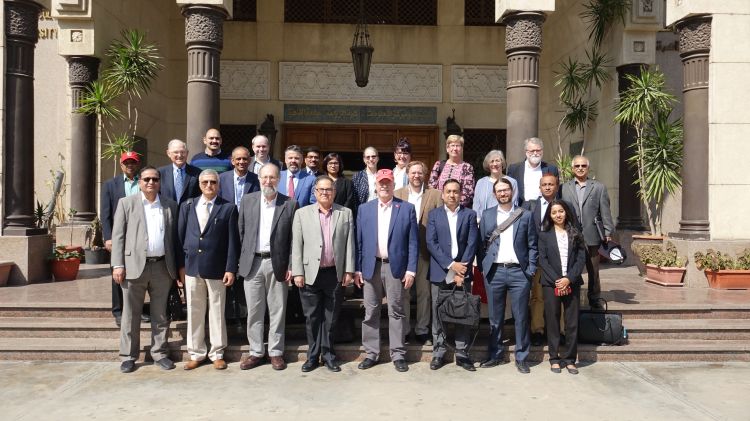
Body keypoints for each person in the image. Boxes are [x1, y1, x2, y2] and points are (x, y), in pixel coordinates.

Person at [111, 166, 179, 373]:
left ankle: (159, 353)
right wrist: (118, 264)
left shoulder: (170, 205)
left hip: (162, 267)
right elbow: (118, 236)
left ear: (160, 182)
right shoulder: (126, 204)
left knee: (160, 315)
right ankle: (129, 356)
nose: (151, 183)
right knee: (131, 315)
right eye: (147, 179)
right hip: (133, 268)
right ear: (139, 182)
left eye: (155, 179)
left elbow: (174, 239)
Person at [355, 169, 418, 373]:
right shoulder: (364, 209)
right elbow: (359, 242)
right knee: (371, 310)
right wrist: (357, 268)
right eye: (381, 183)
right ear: (376, 185)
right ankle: (371, 353)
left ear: (393, 185)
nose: (384, 186)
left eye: (387, 182)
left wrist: (411, 270)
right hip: (371, 266)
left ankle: (398, 353)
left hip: (395, 267)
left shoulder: (406, 208)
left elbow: (413, 243)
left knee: (396, 310)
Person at [291, 176, 355, 372]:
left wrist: (349, 270)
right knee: (312, 318)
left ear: (334, 192)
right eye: (321, 190)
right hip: (310, 273)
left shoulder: (345, 213)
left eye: (329, 189)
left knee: (330, 317)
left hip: (334, 274)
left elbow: (350, 244)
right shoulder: (302, 214)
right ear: (315, 192)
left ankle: (328, 355)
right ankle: (312, 356)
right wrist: (297, 272)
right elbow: (297, 245)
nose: (325, 193)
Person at [177, 169, 240, 370]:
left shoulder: (228, 208)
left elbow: (233, 242)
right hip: (192, 267)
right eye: (205, 182)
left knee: (216, 311)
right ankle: (196, 352)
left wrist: (230, 268)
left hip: (217, 268)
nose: (209, 186)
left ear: (218, 184)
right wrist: (181, 266)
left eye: (213, 182)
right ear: (199, 184)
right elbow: (179, 238)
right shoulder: (187, 206)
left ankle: (217, 353)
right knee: (194, 311)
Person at [237, 164, 298, 371]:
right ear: (259, 179)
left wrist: (291, 264)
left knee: (277, 310)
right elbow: (241, 233)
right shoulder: (247, 201)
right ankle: (255, 351)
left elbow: (293, 239)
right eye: (265, 177)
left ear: (278, 180)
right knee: (254, 311)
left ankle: (275, 352)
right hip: (252, 263)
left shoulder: (289, 204)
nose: (268, 181)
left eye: (272, 177)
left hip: (277, 263)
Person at [478, 177, 537, 374]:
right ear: (494, 195)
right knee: (495, 318)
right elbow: (481, 244)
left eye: (506, 190)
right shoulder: (487, 215)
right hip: (495, 271)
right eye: (499, 191)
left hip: (519, 272)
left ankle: (521, 357)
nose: (503, 193)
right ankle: (495, 355)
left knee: (520, 317)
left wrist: (530, 270)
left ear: (512, 192)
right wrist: (484, 268)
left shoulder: (525, 215)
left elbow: (532, 245)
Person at [425, 179, 479, 371]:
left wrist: (461, 269)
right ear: (443, 194)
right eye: (448, 191)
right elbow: (431, 243)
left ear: (461, 193)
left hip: (463, 273)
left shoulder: (470, 215)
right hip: (440, 272)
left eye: (456, 191)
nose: (452, 195)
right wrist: (451, 266)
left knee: (463, 313)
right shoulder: (434, 215)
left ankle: (462, 353)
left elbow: (472, 243)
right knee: (438, 313)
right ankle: (439, 352)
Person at [523, 173, 579, 346]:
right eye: (544, 184)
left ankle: (561, 332)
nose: (547, 187)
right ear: (540, 187)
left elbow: (574, 229)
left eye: (551, 184)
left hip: (560, 259)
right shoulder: (530, 206)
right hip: (538, 258)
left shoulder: (565, 205)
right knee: (538, 296)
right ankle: (538, 330)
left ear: (557, 186)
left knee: (561, 294)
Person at [394, 160, 442, 345]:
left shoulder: (435, 195)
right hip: (402, 253)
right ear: (408, 174)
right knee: (403, 294)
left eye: (419, 173)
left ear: (425, 175)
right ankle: (405, 330)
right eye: (413, 172)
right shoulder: (398, 195)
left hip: (425, 251)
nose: (416, 176)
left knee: (424, 293)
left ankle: (422, 329)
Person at [537, 200, 586, 375]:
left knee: (572, 323)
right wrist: (558, 279)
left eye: (561, 211)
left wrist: (568, 279)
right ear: (549, 216)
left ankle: (570, 359)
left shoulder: (575, 233)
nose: (558, 215)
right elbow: (542, 260)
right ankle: (554, 358)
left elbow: (581, 259)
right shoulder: (544, 235)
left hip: (571, 283)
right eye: (554, 212)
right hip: (551, 284)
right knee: (552, 321)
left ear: (566, 213)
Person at [101, 151, 149, 327]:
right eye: (126, 162)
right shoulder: (110, 185)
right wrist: (107, 237)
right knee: (118, 272)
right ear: (121, 165)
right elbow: (105, 214)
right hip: (119, 235)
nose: (130, 165)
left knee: (140, 273)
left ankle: (139, 309)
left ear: (138, 164)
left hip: (139, 234)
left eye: (133, 162)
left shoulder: (144, 182)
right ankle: (118, 311)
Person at [561, 155, 614, 309]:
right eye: (577, 166)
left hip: (592, 235)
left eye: (583, 166)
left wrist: (608, 231)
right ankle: (572, 297)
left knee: (593, 270)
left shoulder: (598, 187)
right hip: (571, 235)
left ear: (588, 168)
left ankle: (595, 298)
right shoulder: (564, 188)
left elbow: (605, 211)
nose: (580, 168)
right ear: (572, 169)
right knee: (572, 268)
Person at [506, 137, 559, 207]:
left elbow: (556, 191)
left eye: (538, 150)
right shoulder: (514, 169)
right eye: (532, 151)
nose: (535, 153)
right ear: (526, 152)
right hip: (521, 207)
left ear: (542, 151)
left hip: (543, 207)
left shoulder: (551, 169)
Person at [428, 134, 475, 208]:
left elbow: (468, 192)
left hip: (459, 209)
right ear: (447, 149)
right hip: (439, 208)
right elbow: (431, 187)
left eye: (458, 146)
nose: (455, 148)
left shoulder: (467, 167)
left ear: (462, 149)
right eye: (452, 145)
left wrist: (454, 207)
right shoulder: (438, 165)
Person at [473, 150, 518, 222]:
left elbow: (514, 203)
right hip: (484, 222)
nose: (495, 164)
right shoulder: (481, 182)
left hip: (505, 223)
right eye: (492, 161)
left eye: (497, 160)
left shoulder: (512, 182)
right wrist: (477, 221)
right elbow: (476, 204)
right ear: (488, 165)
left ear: (502, 163)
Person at [158, 139, 201, 205]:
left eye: (182, 152)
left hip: (189, 213)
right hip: (167, 212)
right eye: (176, 152)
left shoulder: (197, 173)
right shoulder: (160, 173)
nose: (180, 155)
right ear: (168, 153)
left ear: (187, 153)